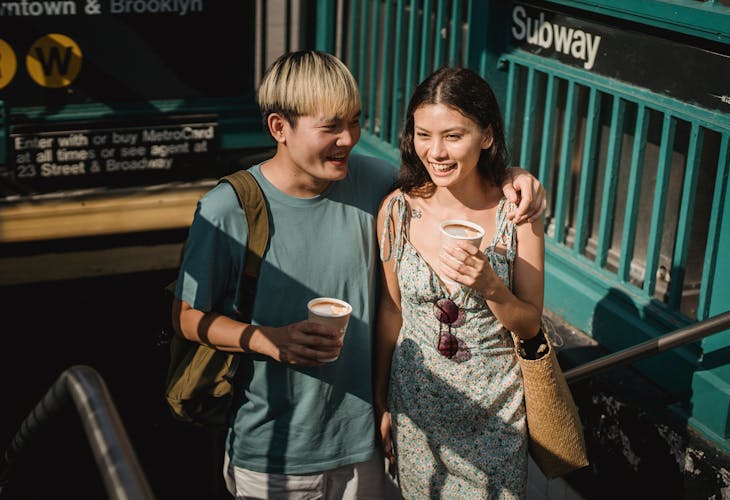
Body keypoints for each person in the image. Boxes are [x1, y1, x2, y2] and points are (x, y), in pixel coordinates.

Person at [172, 50, 545, 499]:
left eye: (354, 121)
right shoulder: (228, 208)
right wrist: (267, 339)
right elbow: (187, 317)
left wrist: (514, 176)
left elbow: (447, 175)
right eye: (330, 127)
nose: (348, 139)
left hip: (365, 443)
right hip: (273, 450)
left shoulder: (373, 182)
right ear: (279, 128)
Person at [375, 66, 547, 498]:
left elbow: (529, 324)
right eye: (423, 134)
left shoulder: (518, 214)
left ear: (486, 136)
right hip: (416, 412)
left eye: (453, 135)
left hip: (496, 418)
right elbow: (392, 312)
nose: (435, 151)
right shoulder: (397, 211)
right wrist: (380, 401)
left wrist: (490, 285)